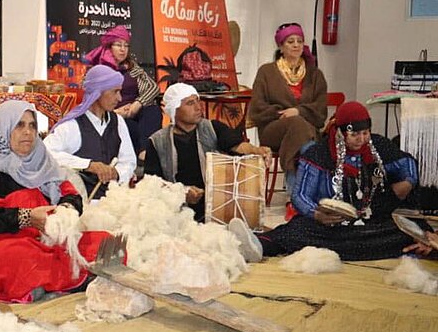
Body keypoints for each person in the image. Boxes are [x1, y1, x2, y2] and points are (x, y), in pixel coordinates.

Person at [0, 101, 121, 303]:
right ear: (4, 128)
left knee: (105, 242)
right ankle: (67, 278)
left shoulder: (42, 160)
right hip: (0, 241)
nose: (28, 132)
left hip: (45, 239)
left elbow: (70, 194)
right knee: (19, 257)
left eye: (32, 125)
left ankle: (51, 281)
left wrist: (65, 210)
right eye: (19, 125)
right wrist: (26, 217)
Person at [258, 101, 419, 260]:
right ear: (341, 132)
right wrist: (316, 214)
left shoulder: (378, 146)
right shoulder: (319, 154)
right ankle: (258, 245)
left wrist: (408, 182)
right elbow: (299, 196)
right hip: (330, 229)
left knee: (410, 230)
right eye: (354, 134)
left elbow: (407, 163)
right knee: (296, 231)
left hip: (371, 225)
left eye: (365, 133)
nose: (361, 139)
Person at [144, 83, 272, 223]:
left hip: (214, 209)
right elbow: (152, 183)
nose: (198, 107)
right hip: (176, 212)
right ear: (174, 109)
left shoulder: (212, 128)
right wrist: (181, 193)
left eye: (197, 100)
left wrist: (257, 150)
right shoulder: (157, 141)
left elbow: (237, 146)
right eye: (190, 103)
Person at [249, 23, 327, 189]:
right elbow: (256, 107)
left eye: (300, 41)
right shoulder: (266, 72)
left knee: (304, 136)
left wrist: (298, 111)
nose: (296, 45)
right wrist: (283, 114)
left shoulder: (315, 74)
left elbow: (321, 111)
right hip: (273, 128)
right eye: (291, 42)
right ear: (281, 46)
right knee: (299, 126)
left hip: (307, 131)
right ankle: (300, 191)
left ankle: (296, 190)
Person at [44, 64, 137, 196]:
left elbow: (129, 161)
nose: (120, 98)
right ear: (97, 93)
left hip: (113, 199)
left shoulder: (118, 122)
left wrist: (117, 173)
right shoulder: (72, 125)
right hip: (81, 200)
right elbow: (46, 154)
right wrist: (89, 165)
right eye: (115, 92)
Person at [84, 26, 163, 159]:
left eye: (126, 46)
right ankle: (138, 157)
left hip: (134, 110)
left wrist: (137, 104)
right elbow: (91, 99)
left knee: (153, 111)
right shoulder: (98, 69)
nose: (123, 49)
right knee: (129, 127)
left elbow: (152, 87)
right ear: (109, 46)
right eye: (119, 45)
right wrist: (115, 113)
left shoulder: (131, 67)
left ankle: (145, 153)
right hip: (113, 113)